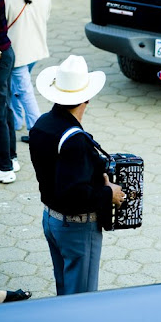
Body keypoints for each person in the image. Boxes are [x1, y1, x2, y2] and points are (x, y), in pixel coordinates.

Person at [29, 55, 125, 295]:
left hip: (51, 220)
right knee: (80, 299)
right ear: (87, 98)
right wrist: (108, 193)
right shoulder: (76, 141)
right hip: (77, 229)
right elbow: (74, 195)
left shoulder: (41, 124)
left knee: (64, 292)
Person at [3, 0, 51, 145]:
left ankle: (36, 130)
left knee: (23, 90)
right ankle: (16, 121)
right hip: (37, 49)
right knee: (17, 87)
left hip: (16, 53)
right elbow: (46, 16)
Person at [0, 0, 17, 184]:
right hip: (6, 52)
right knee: (4, 108)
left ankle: (4, 168)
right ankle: (11, 158)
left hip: (0, 57)